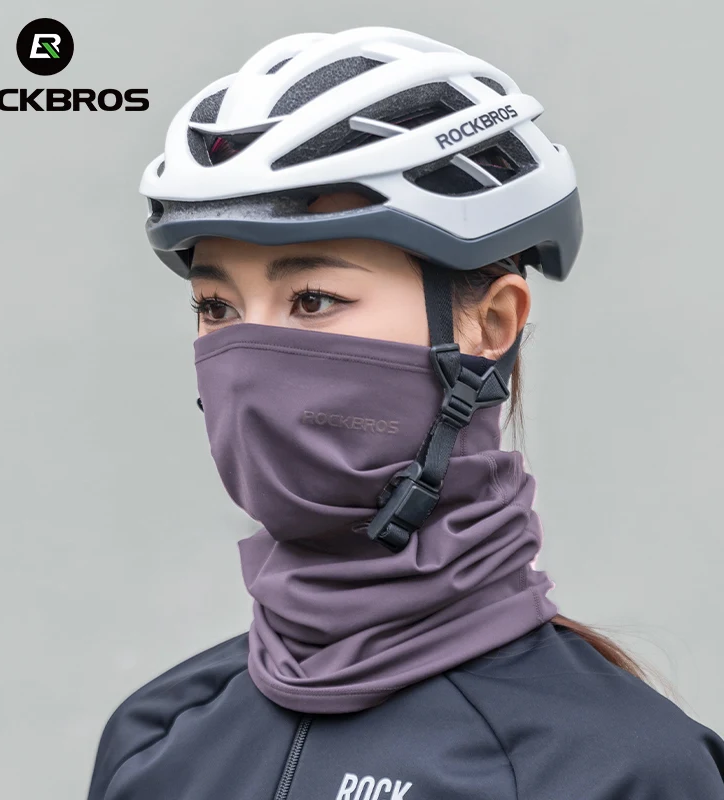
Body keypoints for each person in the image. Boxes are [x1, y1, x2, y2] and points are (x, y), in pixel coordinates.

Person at [86, 27, 724, 799]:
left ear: (492, 325)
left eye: (313, 299)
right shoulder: (156, 739)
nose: (248, 364)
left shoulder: (616, 771)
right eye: (216, 306)